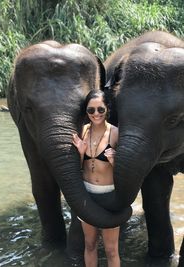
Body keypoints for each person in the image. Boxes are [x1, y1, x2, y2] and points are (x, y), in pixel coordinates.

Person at [72, 90, 120, 267]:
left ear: (107, 109)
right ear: (86, 112)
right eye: (91, 110)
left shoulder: (115, 133)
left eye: (100, 109)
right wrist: (80, 153)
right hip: (87, 196)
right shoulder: (82, 131)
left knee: (111, 249)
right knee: (90, 244)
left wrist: (115, 161)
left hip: (109, 196)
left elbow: (125, 175)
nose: (96, 114)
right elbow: (77, 169)